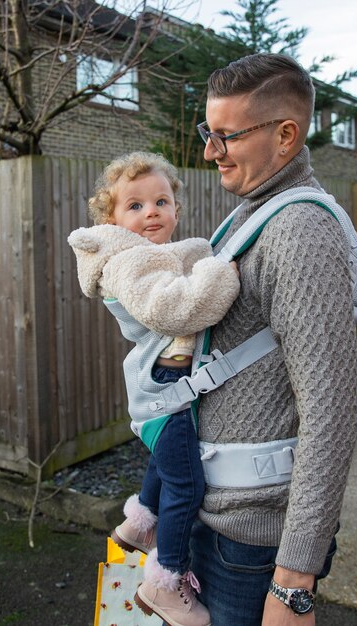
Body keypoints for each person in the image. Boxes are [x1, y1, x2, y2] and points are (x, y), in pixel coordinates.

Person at [186, 53, 357, 626]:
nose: (210, 151)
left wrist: (293, 584)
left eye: (226, 136)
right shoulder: (247, 217)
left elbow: (331, 412)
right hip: (214, 522)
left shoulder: (300, 234)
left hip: (257, 551)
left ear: (285, 135)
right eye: (207, 132)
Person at [68, 151, 240, 626]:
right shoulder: (128, 262)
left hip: (167, 382)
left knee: (169, 463)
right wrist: (217, 273)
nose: (152, 213)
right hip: (166, 385)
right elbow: (176, 310)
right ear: (113, 219)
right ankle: (165, 580)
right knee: (187, 483)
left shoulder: (149, 255)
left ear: (176, 209)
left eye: (161, 201)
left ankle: (141, 522)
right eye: (135, 206)